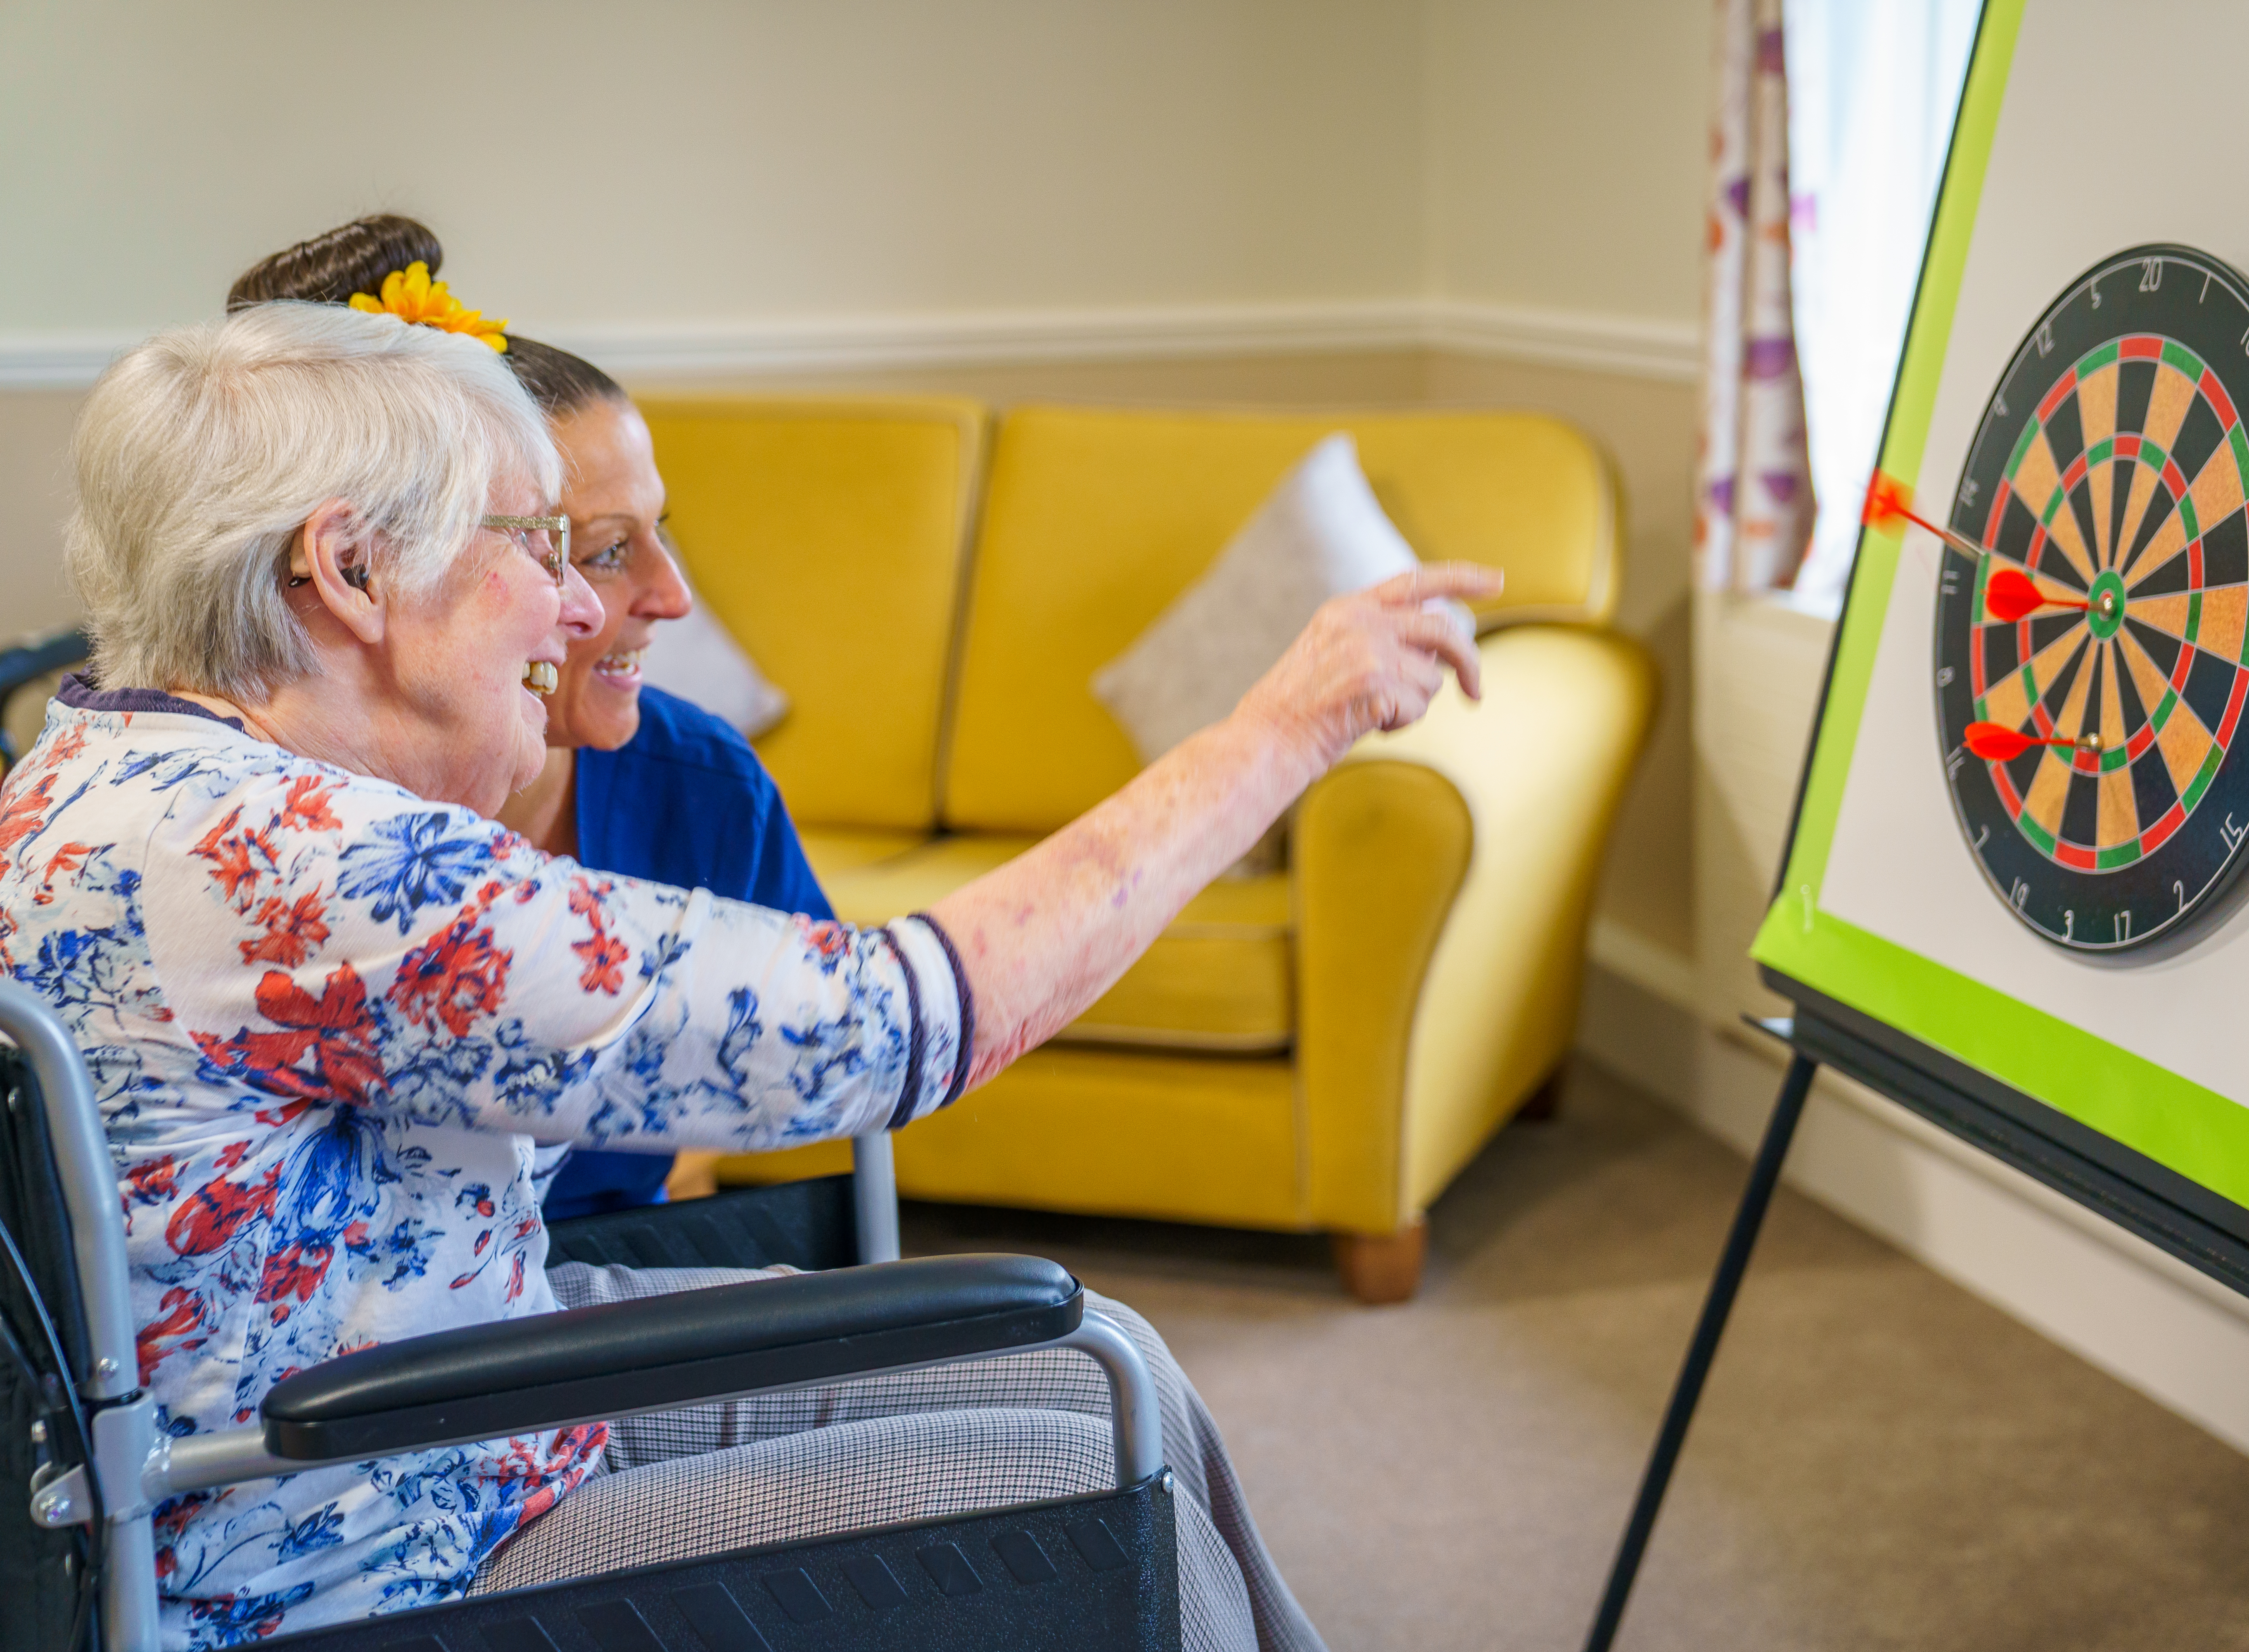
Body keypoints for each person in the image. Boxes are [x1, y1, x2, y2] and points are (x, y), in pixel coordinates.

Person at [0, 298, 1498, 1650]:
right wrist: (1282, 732)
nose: (581, 606)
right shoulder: (329, 872)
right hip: (374, 1544)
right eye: (532, 545)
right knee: (1111, 1463)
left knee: (1117, 1359)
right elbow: (898, 1025)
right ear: (350, 570)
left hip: (400, 1421)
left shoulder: (89, 770)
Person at [229, 216, 790, 1219]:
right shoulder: (260, 828)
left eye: (662, 537)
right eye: (601, 550)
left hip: (594, 1294)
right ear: (379, 570)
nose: (672, 597)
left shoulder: (703, 785)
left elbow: (823, 1056)